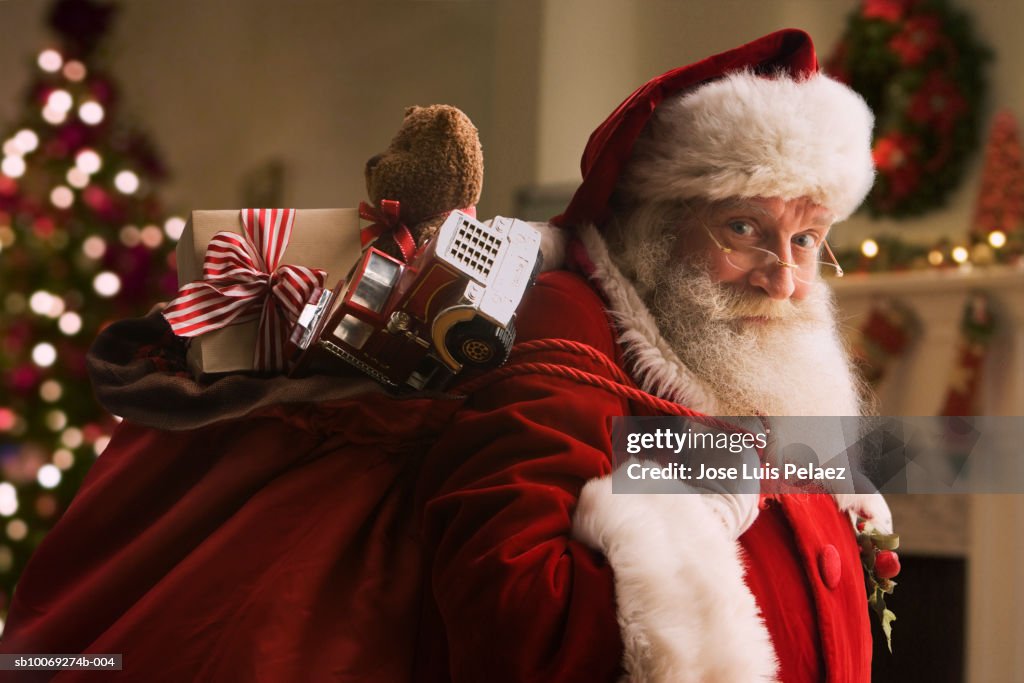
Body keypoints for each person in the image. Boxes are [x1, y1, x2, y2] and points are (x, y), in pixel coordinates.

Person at [0, 28, 892, 683]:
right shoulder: (565, 339)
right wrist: (688, 513)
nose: (785, 277)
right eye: (743, 228)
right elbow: (516, 615)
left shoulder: (718, 353)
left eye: (806, 238)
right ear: (657, 228)